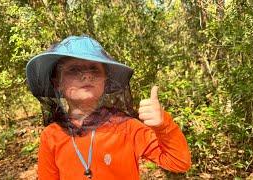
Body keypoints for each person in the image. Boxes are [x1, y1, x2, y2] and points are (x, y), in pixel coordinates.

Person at [26, 35, 191, 180]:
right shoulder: (51, 136)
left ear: (106, 81)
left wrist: (163, 126)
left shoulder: (127, 127)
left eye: (94, 69)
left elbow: (179, 162)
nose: (86, 75)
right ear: (57, 83)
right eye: (74, 70)